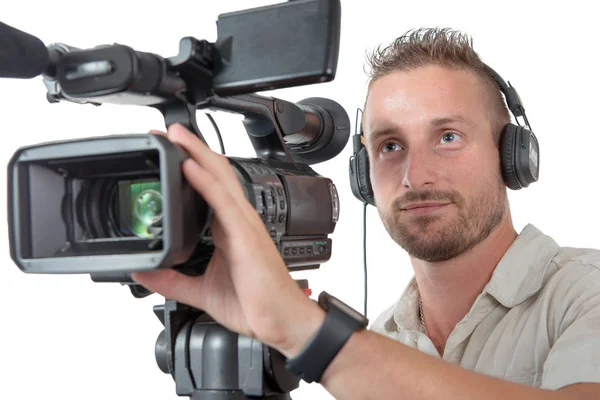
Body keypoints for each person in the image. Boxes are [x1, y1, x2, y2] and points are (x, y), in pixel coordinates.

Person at [131, 28, 600, 399]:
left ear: (512, 156)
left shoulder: (585, 293)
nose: (416, 176)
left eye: (448, 137)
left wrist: (304, 330)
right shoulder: (380, 339)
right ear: (363, 176)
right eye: (390, 146)